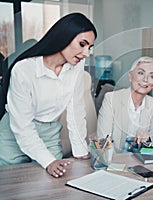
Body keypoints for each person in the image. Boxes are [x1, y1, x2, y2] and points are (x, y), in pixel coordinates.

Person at [0, 13, 97, 178]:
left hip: (50, 131)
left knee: (54, 182)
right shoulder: (24, 69)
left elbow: (75, 111)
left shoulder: (77, 68)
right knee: (12, 183)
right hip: (14, 132)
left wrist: (80, 151)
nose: (86, 53)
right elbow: (22, 125)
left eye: (89, 47)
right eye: (82, 44)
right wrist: (47, 161)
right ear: (64, 37)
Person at [97, 56, 153, 153]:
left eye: (151, 76)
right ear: (130, 76)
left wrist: (148, 137)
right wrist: (118, 164)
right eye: (141, 73)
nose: (145, 79)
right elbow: (103, 140)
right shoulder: (111, 99)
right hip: (114, 160)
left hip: (138, 159)